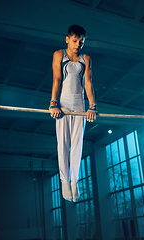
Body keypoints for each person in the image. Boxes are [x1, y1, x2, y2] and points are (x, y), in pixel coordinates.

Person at [49, 25, 97, 202]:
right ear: (67, 39)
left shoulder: (86, 59)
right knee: (63, 144)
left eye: (81, 42)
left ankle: (75, 182)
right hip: (63, 103)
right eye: (75, 40)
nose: (78, 44)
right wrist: (53, 103)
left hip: (79, 104)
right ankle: (64, 182)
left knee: (77, 145)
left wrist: (92, 106)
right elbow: (57, 79)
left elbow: (88, 84)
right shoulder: (59, 54)